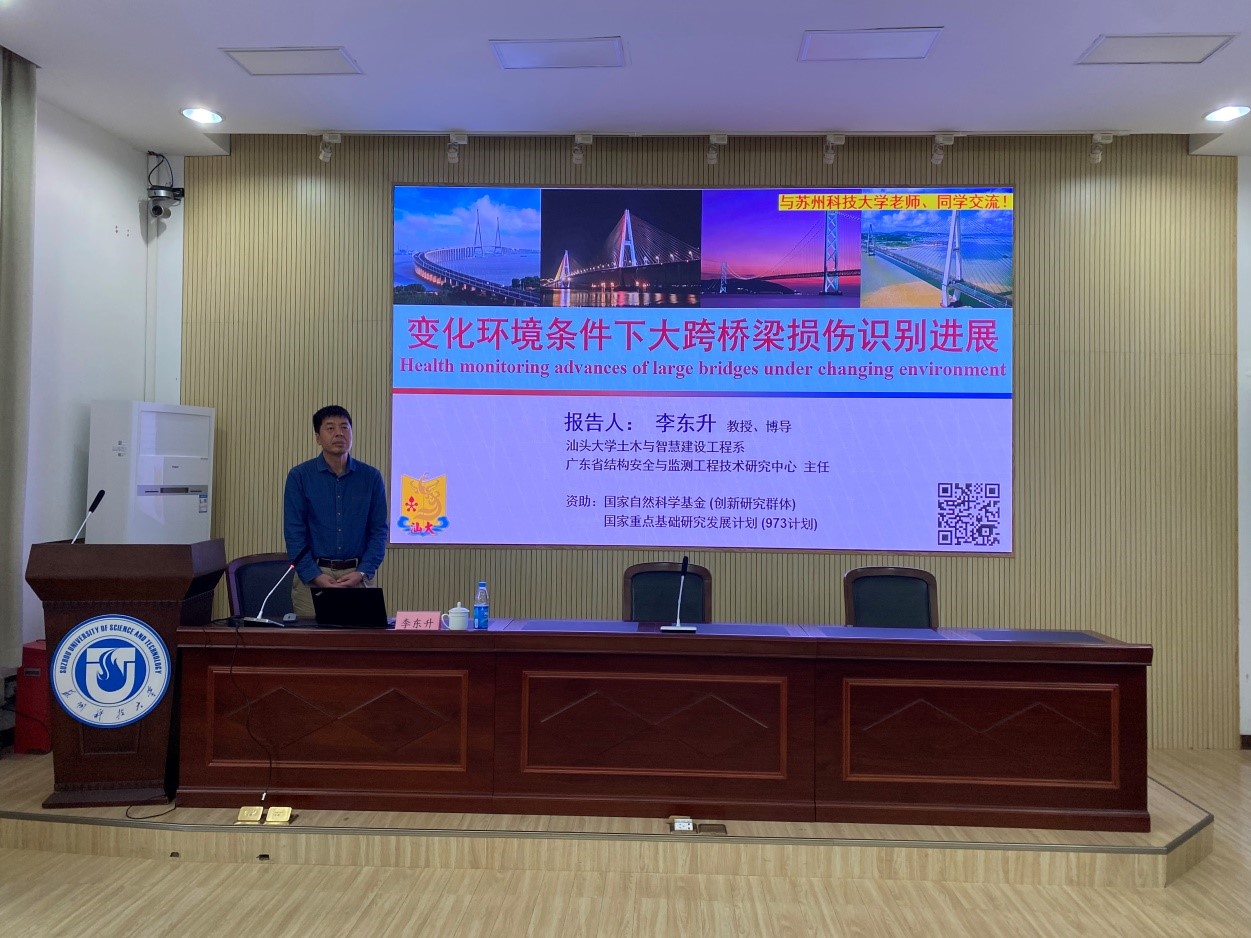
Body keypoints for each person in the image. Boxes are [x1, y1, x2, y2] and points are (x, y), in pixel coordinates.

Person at [284, 405, 387, 619]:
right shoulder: (300, 476)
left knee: (359, 638)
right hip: (313, 577)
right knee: (312, 639)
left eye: (344, 427)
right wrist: (315, 576)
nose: (339, 433)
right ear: (317, 438)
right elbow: (294, 534)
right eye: (330, 428)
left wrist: (362, 572)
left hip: (357, 575)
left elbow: (379, 531)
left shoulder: (371, 477)